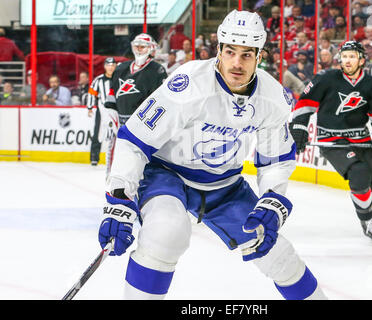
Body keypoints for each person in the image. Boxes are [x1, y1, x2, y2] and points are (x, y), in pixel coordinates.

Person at [97, 10, 326, 300]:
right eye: (230, 51)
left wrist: (272, 198)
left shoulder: (272, 97)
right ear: (218, 49)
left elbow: (276, 159)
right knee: (166, 232)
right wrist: (119, 198)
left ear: (260, 56)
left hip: (225, 186)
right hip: (168, 175)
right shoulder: (189, 83)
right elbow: (135, 139)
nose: (236, 62)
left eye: (247, 54)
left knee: (278, 254)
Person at [289, 41, 372, 244]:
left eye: (352, 56)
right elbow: (305, 104)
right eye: (344, 56)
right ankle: (367, 222)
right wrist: (299, 127)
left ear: (361, 60)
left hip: (362, 138)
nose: (347, 60)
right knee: (359, 173)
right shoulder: (326, 79)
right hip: (333, 140)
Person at [105, 33, 168, 127]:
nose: (139, 49)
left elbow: (161, 100)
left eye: (142, 46)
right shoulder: (120, 69)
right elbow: (111, 97)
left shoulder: (157, 70)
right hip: (121, 123)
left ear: (151, 48)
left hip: (144, 124)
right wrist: (111, 121)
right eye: (136, 46)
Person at [87, 57, 117, 172]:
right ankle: (94, 157)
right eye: (108, 65)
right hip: (102, 109)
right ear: (105, 66)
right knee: (98, 132)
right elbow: (91, 93)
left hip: (116, 110)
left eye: (113, 65)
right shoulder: (99, 80)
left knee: (116, 133)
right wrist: (90, 107)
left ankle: (115, 158)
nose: (110, 67)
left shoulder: (118, 78)